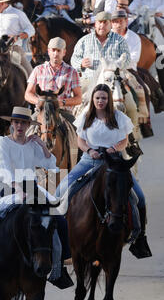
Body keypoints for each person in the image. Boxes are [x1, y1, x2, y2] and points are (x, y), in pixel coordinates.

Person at [0, 106, 74, 290]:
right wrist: (17, 189)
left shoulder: (32, 144)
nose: (20, 126)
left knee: (59, 220)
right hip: (9, 187)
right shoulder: (4, 143)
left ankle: (59, 268)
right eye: (16, 122)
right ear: (12, 124)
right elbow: (3, 170)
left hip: (32, 187)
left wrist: (41, 144)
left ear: (28, 125)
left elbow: (50, 163)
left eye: (24, 122)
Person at [56, 83, 152, 259]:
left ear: (109, 100)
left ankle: (140, 237)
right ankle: (57, 237)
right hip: (89, 161)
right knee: (60, 191)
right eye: (98, 98)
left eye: (104, 98)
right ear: (93, 99)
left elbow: (124, 140)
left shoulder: (119, 117)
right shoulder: (86, 117)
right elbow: (80, 141)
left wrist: (115, 148)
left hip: (114, 162)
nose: (101, 101)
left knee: (140, 197)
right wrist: (89, 151)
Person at [25, 36, 82, 113]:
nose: (56, 53)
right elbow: (28, 94)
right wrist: (40, 101)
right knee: (31, 125)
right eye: (53, 50)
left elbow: (79, 98)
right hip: (41, 112)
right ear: (48, 51)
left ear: (64, 52)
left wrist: (62, 102)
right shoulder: (38, 70)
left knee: (75, 125)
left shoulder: (72, 72)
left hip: (63, 112)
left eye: (59, 51)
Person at [71, 11, 131, 83]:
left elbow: (127, 59)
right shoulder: (84, 41)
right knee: (76, 92)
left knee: (135, 92)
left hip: (112, 81)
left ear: (111, 24)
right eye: (100, 22)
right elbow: (74, 59)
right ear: (95, 24)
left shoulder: (120, 40)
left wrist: (116, 65)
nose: (102, 25)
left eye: (105, 22)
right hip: (89, 81)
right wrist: (81, 64)